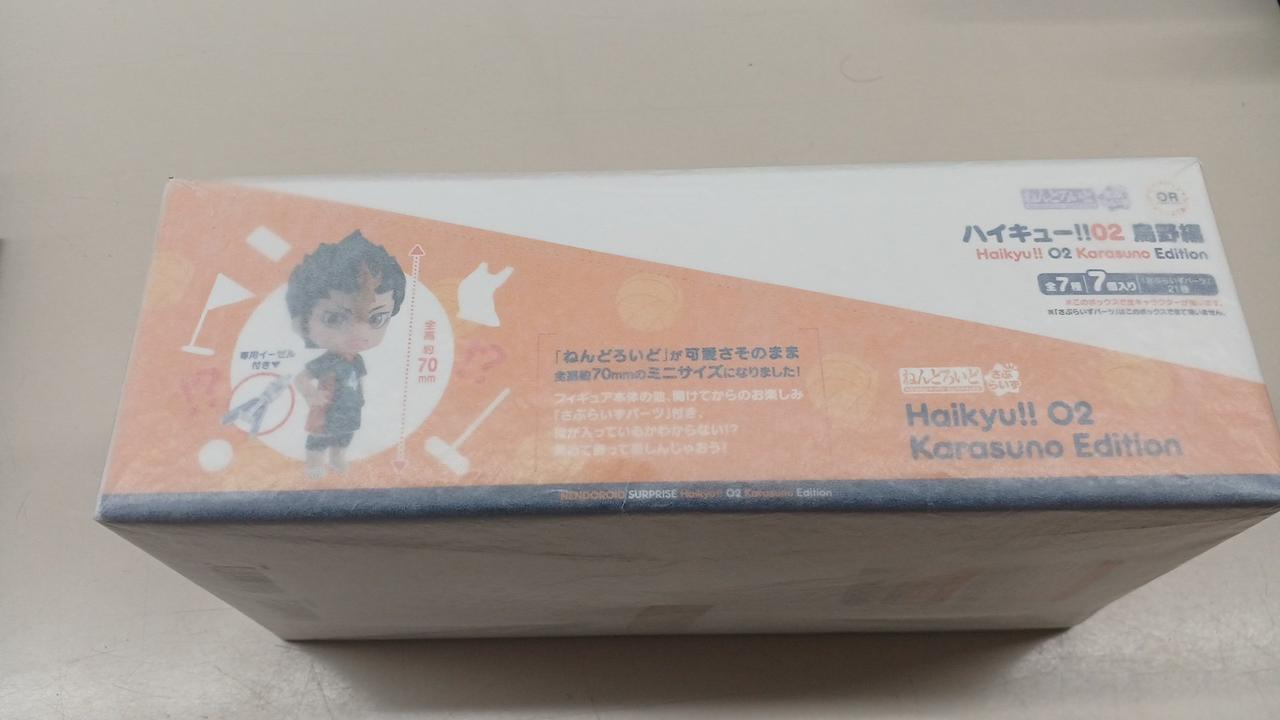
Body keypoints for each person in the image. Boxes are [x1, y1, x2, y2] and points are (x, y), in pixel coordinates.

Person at [286, 231, 407, 477]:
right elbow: (301, 378)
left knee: (343, 440)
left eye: (376, 318)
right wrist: (312, 395)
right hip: (328, 412)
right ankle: (314, 465)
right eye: (333, 318)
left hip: (349, 412)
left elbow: (358, 381)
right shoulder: (326, 360)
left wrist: (360, 400)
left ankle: (337, 460)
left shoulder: (356, 359)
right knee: (319, 441)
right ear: (303, 321)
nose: (359, 333)